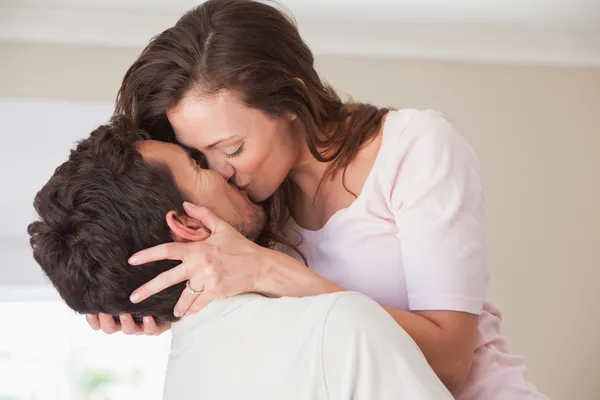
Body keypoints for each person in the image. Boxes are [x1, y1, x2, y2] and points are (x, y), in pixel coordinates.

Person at [88, 1, 548, 399]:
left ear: (291, 95)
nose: (221, 171)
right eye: (200, 156)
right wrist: (139, 302)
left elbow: (451, 361)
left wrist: (270, 269)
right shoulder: (251, 205)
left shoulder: (415, 148)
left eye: (232, 149)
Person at [29, 117, 454, 399]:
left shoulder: (184, 382)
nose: (224, 170)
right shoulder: (338, 326)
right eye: (197, 163)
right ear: (188, 225)